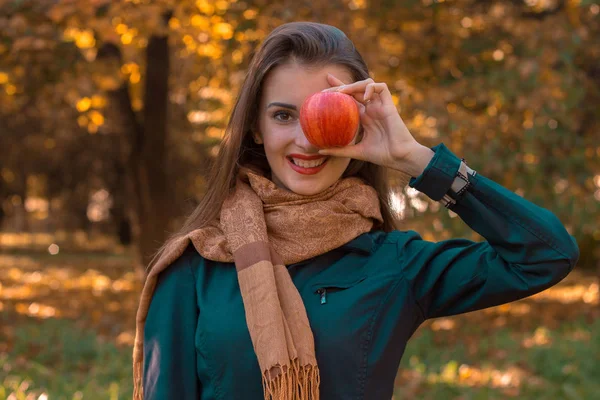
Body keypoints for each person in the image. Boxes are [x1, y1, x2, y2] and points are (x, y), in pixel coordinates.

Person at [132, 21, 579, 400]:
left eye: (324, 115)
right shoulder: (195, 264)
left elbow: (546, 255)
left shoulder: (394, 264)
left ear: (359, 121)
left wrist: (416, 160)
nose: (307, 140)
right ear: (255, 127)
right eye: (284, 116)